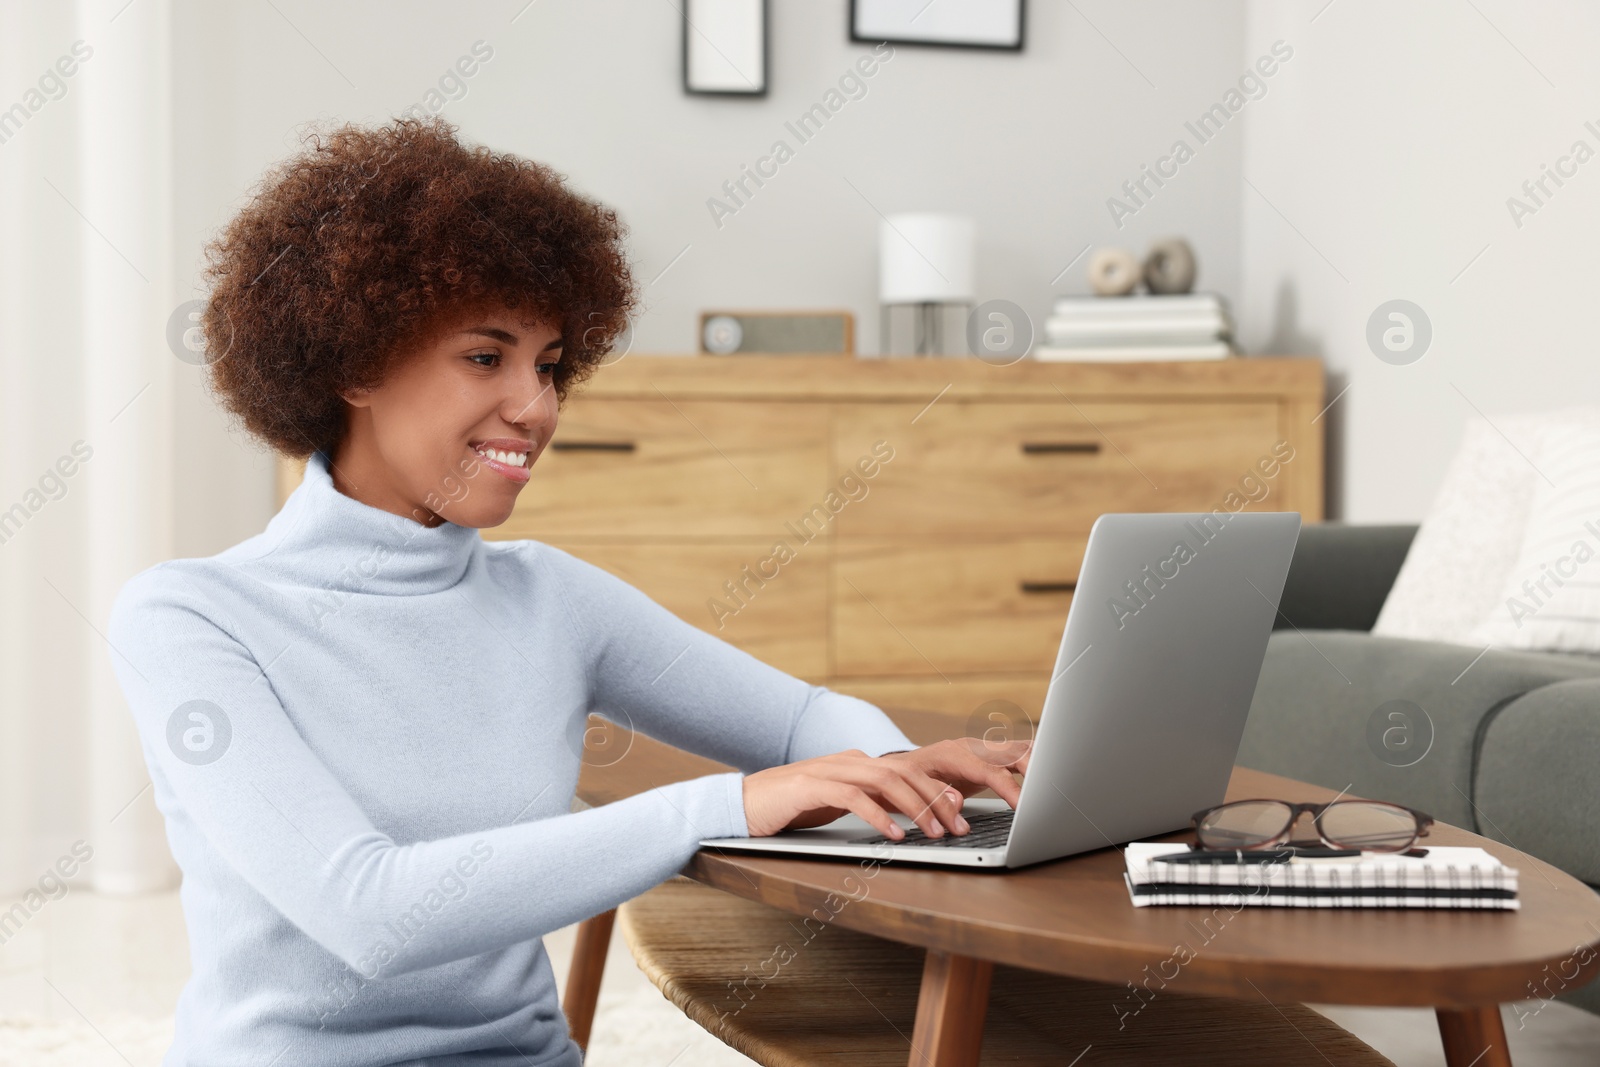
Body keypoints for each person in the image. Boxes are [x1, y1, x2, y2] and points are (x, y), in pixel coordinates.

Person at [107, 116, 1030, 1065]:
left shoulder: (550, 597)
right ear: (352, 362)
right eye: (485, 357)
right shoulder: (189, 618)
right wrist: (723, 805)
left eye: (549, 365)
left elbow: (801, 716)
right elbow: (370, 911)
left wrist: (914, 786)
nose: (537, 407)